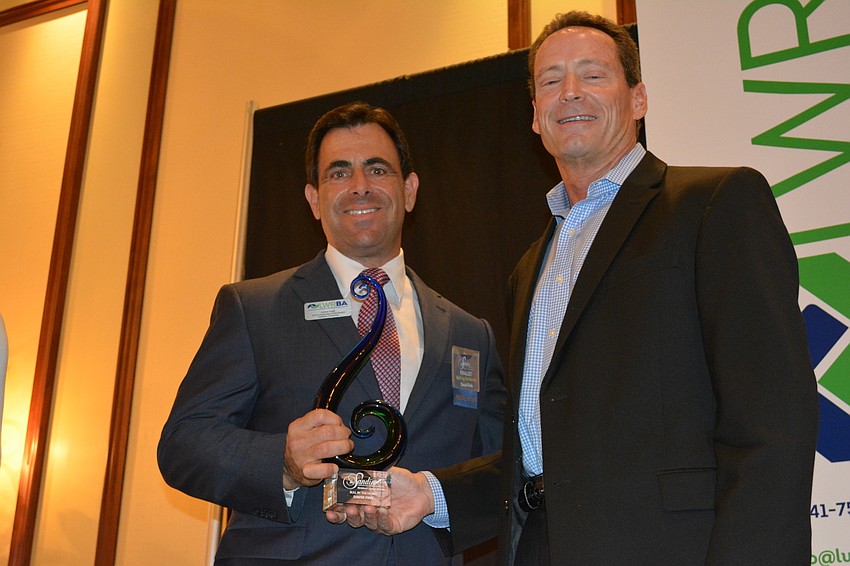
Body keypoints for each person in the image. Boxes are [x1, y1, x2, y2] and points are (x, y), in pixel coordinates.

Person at [335, 11, 819, 565]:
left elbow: (771, 423)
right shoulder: (529, 267)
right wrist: (431, 493)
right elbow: (544, 454)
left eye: (592, 75)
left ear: (638, 99)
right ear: (535, 118)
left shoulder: (714, 204)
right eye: (549, 81)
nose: (569, 93)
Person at [158, 102, 506, 565]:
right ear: (314, 199)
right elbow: (184, 444)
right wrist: (279, 459)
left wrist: (435, 496)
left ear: (409, 190)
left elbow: (503, 472)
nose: (360, 186)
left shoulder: (469, 334)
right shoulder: (254, 308)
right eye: (338, 173)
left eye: (377, 169)